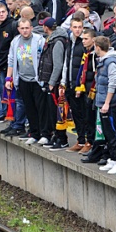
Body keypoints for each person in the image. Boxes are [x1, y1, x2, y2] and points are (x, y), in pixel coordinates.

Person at [6, 18, 46, 143]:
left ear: (31, 28)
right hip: (23, 79)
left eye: (27, 28)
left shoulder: (39, 40)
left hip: (37, 80)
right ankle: (34, 133)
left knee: (41, 107)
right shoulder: (15, 41)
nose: (25, 31)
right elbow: (11, 60)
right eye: (22, 28)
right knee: (29, 107)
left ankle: (44, 133)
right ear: (18, 29)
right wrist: (9, 78)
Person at [61, 25, 96, 154]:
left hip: (87, 90)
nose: (84, 40)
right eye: (83, 39)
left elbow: (92, 73)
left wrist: (84, 87)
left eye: (86, 38)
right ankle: (81, 140)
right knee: (77, 115)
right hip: (74, 85)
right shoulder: (71, 44)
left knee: (88, 117)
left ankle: (90, 142)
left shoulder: (93, 54)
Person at [93, 36, 116, 175]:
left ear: (98, 47)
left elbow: (113, 82)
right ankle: (112, 158)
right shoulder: (103, 62)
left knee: (113, 132)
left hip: (110, 104)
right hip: (103, 101)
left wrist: (107, 102)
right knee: (107, 131)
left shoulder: (110, 63)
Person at [37, 17, 68, 150]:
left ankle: (62, 138)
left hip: (54, 83)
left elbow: (58, 65)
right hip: (50, 81)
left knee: (55, 111)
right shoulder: (52, 40)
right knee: (50, 111)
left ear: (46, 27)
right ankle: (55, 135)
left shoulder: (58, 42)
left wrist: (51, 82)